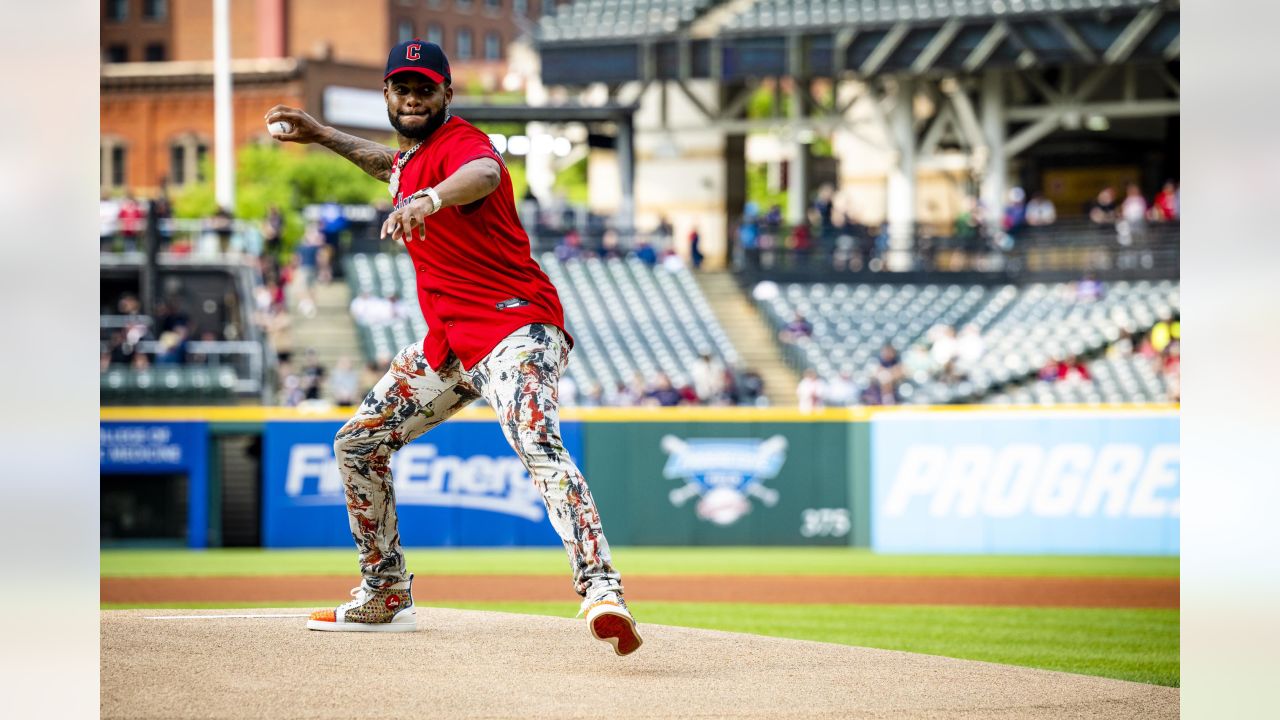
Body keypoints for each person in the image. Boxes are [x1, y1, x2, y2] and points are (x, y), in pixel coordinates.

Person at [264, 38, 640, 654]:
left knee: (535, 441)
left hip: (516, 331)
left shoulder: (463, 145)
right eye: (402, 88)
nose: (413, 98)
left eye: (425, 89)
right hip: (450, 348)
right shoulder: (414, 160)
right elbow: (391, 165)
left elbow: (483, 173)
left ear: (447, 95)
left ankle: (602, 590)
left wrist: (430, 200)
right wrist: (324, 135)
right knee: (357, 444)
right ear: (388, 94)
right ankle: (385, 594)